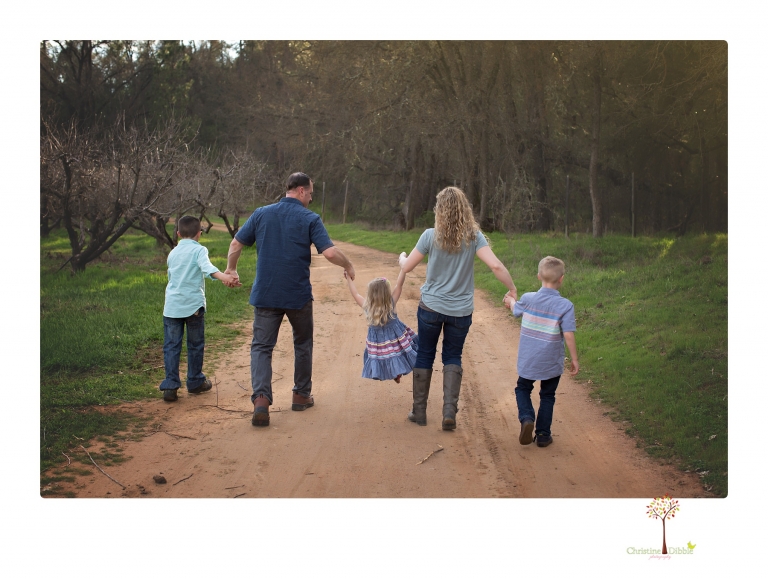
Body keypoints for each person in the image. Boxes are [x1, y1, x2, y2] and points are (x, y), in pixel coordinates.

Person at [225, 172, 355, 427]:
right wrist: (348, 265)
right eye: (310, 194)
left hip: (266, 293)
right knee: (303, 343)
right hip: (297, 295)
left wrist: (231, 269)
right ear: (302, 191)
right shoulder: (309, 218)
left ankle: (261, 400)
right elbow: (329, 253)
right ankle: (300, 395)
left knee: (262, 346)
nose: (311, 199)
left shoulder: (262, 213)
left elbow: (236, 243)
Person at [398, 186, 517, 430]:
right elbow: (495, 266)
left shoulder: (430, 235)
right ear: (464, 209)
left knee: (425, 354)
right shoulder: (473, 237)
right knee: (453, 355)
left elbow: (407, 266)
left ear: (439, 210)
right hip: (460, 311)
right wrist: (513, 288)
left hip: (430, 307)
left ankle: (419, 412)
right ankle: (448, 413)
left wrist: (401, 258)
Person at [159, 215, 240, 402]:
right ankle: (195, 381)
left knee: (171, 346)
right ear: (199, 234)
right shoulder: (199, 250)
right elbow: (207, 268)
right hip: (193, 306)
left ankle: (170, 386)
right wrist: (224, 277)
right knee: (195, 345)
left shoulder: (172, 253)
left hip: (172, 306)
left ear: (178, 233)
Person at [503, 255, 579, 447]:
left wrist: (511, 300)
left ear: (538, 276)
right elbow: (568, 335)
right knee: (547, 395)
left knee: (522, 388)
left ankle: (527, 418)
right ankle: (543, 434)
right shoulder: (565, 305)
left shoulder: (528, 298)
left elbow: (515, 309)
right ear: (561, 279)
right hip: (551, 361)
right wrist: (574, 359)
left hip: (529, 359)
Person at [343, 268, 418, 383]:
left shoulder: (367, 306)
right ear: (386, 292)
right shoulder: (391, 303)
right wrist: (403, 268)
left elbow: (355, 294)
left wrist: (349, 278)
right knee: (397, 353)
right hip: (395, 338)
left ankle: (393, 373)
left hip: (379, 342)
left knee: (386, 356)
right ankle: (397, 373)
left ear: (370, 294)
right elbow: (399, 285)